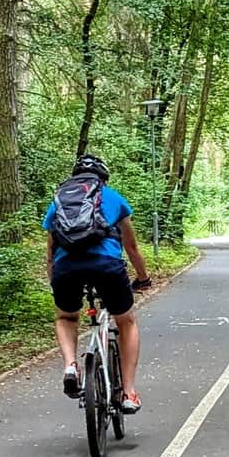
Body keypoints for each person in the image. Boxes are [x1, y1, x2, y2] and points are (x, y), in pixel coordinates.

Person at [43, 154, 151, 414]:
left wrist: (54, 279)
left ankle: (71, 365)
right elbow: (132, 247)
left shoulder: (58, 201)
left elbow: (50, 250)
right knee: (126, 321)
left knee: (66, 317)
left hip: (66, 268)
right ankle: (128, 392)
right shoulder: (113, 198)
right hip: (106, 266)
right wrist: (143, 277)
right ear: (103, 177)